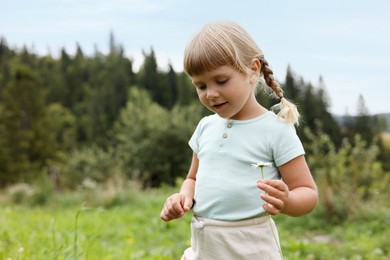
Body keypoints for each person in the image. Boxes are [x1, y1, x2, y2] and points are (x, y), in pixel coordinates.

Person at [160, 21, 318, 260]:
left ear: (253, 70)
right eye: (200, 85)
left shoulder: (276, 130)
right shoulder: (205, 127)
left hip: (251, 248)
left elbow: (307, 192)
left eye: (221, 81)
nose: (210, 93)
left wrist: (287, 201)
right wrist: (183, 197)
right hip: (206, 247)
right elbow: (192, 178)